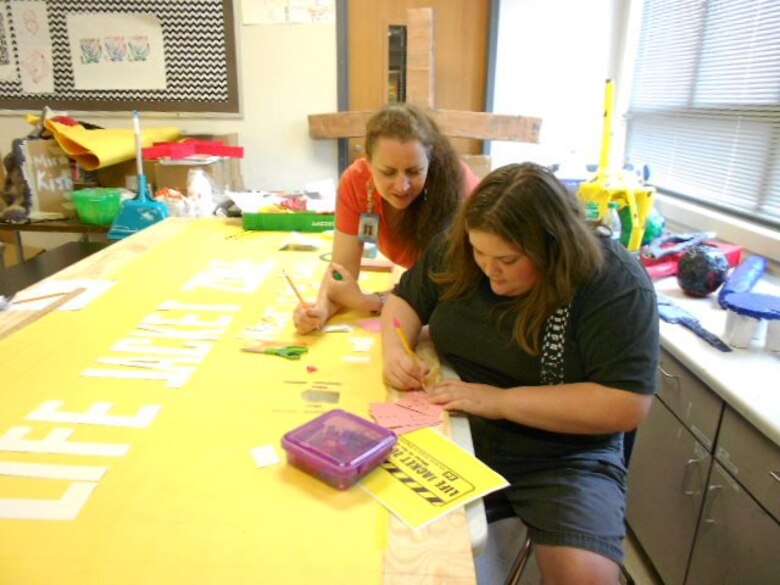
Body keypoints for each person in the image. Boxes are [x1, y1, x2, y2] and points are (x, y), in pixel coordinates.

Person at [382, 162, 659, 584]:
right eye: (479, 253)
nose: (489, 270)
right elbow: (404, 302)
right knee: (386, 540)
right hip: (455, 429)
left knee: (586, 576)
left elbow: (625, 405)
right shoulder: (461, 248)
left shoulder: (613, 282)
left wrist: (500, 401)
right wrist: (393, 348)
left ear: (553, 247)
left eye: (507, 260)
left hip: (564, 456)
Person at [293, 103, 480, 334]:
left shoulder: (456, 188)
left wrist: (368, 301)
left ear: (430, 161)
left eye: (414, 171)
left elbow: (441, 289)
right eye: (388, 172)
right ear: (369, 162)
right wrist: (320, 308)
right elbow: (342, 274)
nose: (402, 186)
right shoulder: (355, 182)